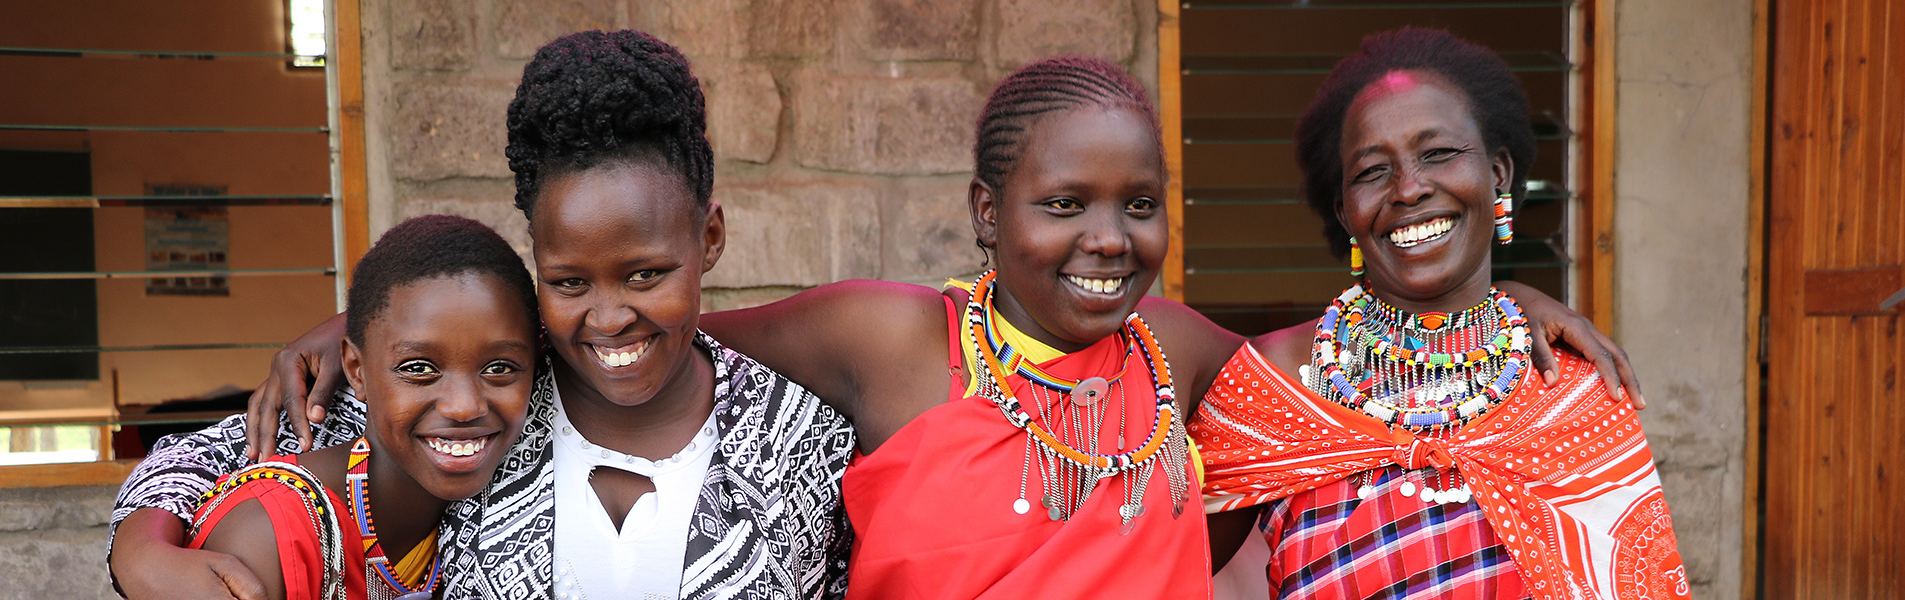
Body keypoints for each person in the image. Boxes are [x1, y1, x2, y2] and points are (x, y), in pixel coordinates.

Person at [124, 55, 1641, 600]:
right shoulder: (877, 341)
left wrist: (1503, 303)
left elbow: (1343, 376)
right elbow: (598, 328)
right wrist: (372, 313)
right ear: (986, 216)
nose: (1103, 241)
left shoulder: (1178, 358)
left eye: (1137, 207)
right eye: (1063, 206)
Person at [109, 29, 854, 600]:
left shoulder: (801, 441)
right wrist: (141, 550)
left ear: (710, 239)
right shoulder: (488, 403)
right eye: (567, 281)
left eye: (646, 275)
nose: (608, 317)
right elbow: (209, 459)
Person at [1189, 28, 1689, 600]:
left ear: (1498, 174)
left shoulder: (1571, 386)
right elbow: (1158, 568)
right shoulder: (1273, 387)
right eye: (1374, 170)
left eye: (1439, 154)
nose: (1409, 188)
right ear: (1345, 211)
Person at [186, 214, 539, 600]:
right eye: (418, 368)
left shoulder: (499, 510)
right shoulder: (272, 533)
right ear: (357, 370)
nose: (463, 406)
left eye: (499, 368)